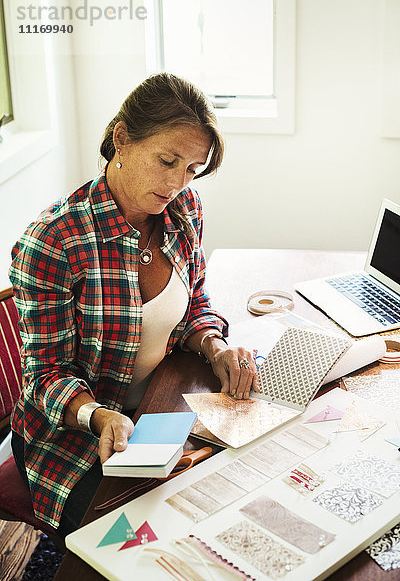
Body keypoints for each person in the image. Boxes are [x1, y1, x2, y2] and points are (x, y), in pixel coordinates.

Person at [9, 73, 258, 539]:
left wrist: (214, 345)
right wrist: (98, 414)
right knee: (147, 544)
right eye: (167, 161)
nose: (178, 184)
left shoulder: (185, 212)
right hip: (76, 439)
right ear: (122, 139)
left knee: (235, 500)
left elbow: (194, 304)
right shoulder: (53, 242)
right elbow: (44, 376)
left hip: (162, 408)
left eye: (191, 169)